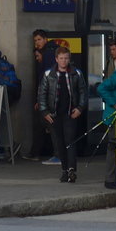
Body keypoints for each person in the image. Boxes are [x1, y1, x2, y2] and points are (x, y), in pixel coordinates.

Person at [37, 45, 87, 182]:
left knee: (70, 141)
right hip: (54, 115)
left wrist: (80, 108)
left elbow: (83, 92)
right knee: (59, 143)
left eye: (66, 58)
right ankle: (64, 170)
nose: (64, 61)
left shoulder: (76, 73)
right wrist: (45, 112)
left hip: (70, 113)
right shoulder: (49, 74)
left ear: (69, 59)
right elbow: (42, 94)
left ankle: (72, 170)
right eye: (61, 58)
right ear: (56, 59)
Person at [97, 37, 116, 189]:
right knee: (113, 144)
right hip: (113, 110)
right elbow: (104, 86)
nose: (112, 52)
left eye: (114, 49)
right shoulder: (111, 65)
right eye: (110, 49)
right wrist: (114, 103)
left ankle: (114, 177)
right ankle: (110, 178)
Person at [30, 29, 58, 162]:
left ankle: (55, 154)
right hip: (51, 96)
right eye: (35, 40)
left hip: (49, 97)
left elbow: (45, 79)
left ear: (45, 39)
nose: (37, 43)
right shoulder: (53, 51)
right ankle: (36, 152)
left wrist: (41, 99)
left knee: (50, 125)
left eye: (39, 39)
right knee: (45, 125)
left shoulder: (48, 54)